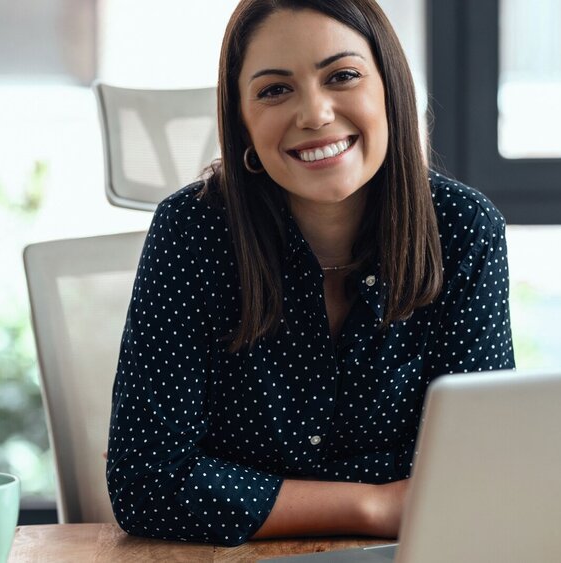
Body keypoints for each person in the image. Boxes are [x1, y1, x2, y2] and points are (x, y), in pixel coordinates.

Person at [106, 0, 514, 547]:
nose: (315, 113)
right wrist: (374, 505)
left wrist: (244, 492)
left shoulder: (462, 229)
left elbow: (481, 468)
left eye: (342, 76)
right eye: (275, 90)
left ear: (389, 88)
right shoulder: (191, 231)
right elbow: (147, 485)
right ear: (242, 121)